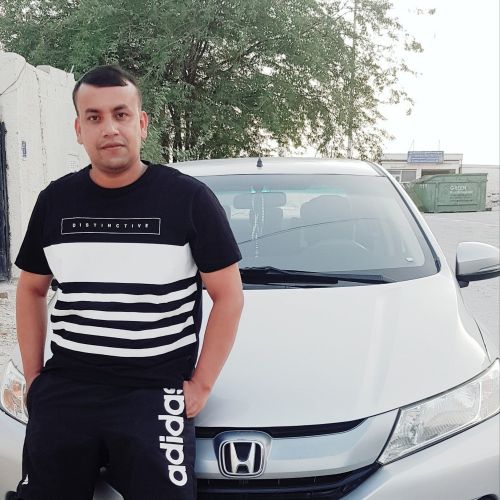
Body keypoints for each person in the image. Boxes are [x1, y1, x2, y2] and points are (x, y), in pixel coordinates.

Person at [12, 65, 244, 499]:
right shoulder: (55, 201)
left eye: (121, 114)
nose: (110, 128)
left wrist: (202, 384)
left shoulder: (188, 199)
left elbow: (228, 295)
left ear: (142, 123)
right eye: (94, 117)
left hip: (152, 391)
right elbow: (31, 288)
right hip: (67, 389)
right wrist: (34, 377)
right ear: (78, 129)